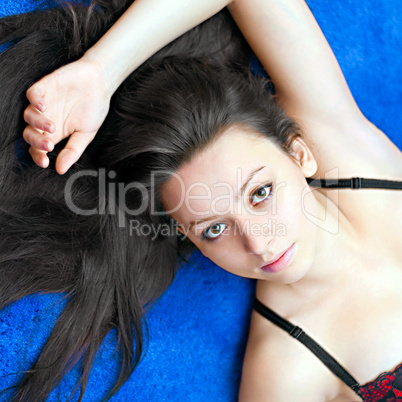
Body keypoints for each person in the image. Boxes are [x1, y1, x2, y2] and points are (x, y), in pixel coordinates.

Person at [1, 1, 401, 402]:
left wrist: (101, 72)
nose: (259, 244)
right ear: (186, 235)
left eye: (260, 194)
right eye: (214, 229)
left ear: (300, 156)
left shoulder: (349, 149)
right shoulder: (288, 375)